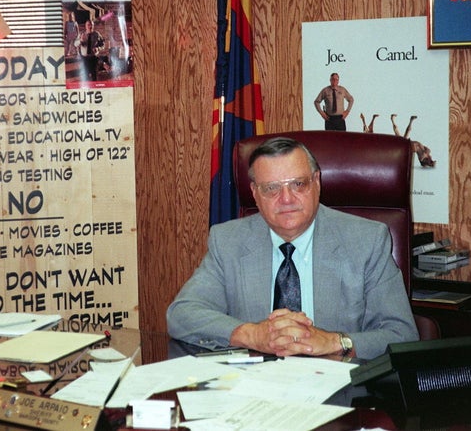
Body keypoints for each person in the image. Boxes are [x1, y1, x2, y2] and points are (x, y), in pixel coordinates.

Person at [167, 137, 418, 360]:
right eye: (272, 188)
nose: (286, 199)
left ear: (316, 182)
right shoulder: (228, 241)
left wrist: (332, 341)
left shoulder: (366, 241)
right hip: (255, 391)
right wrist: (253, 334)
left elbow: (402, 334)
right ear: (255, 193)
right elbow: (182, 314)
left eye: (298, 184)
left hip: (338, 392)